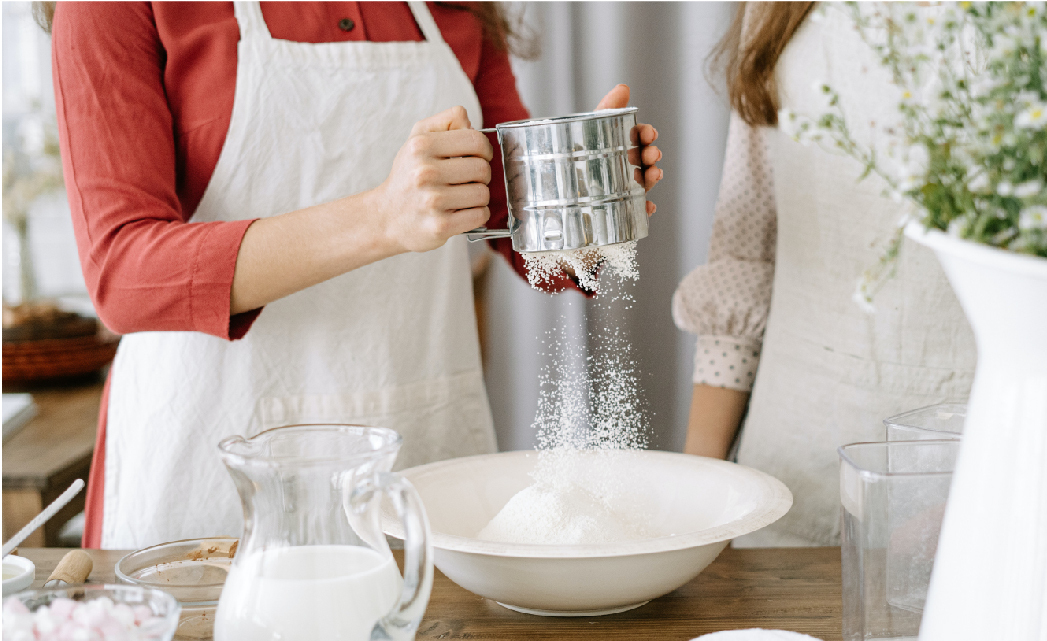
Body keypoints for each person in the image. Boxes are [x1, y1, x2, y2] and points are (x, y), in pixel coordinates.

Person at [49, 1, 662, 549]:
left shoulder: (457, 8)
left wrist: (592, 193)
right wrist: (380, 218)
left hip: (420, 450)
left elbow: (517, 221)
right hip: (215, 473)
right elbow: (123, 273)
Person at [673, 2, 975, 546]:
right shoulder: (775, 9)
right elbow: (746, 259)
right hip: (794, 472)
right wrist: (697, 498)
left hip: (978, 461)